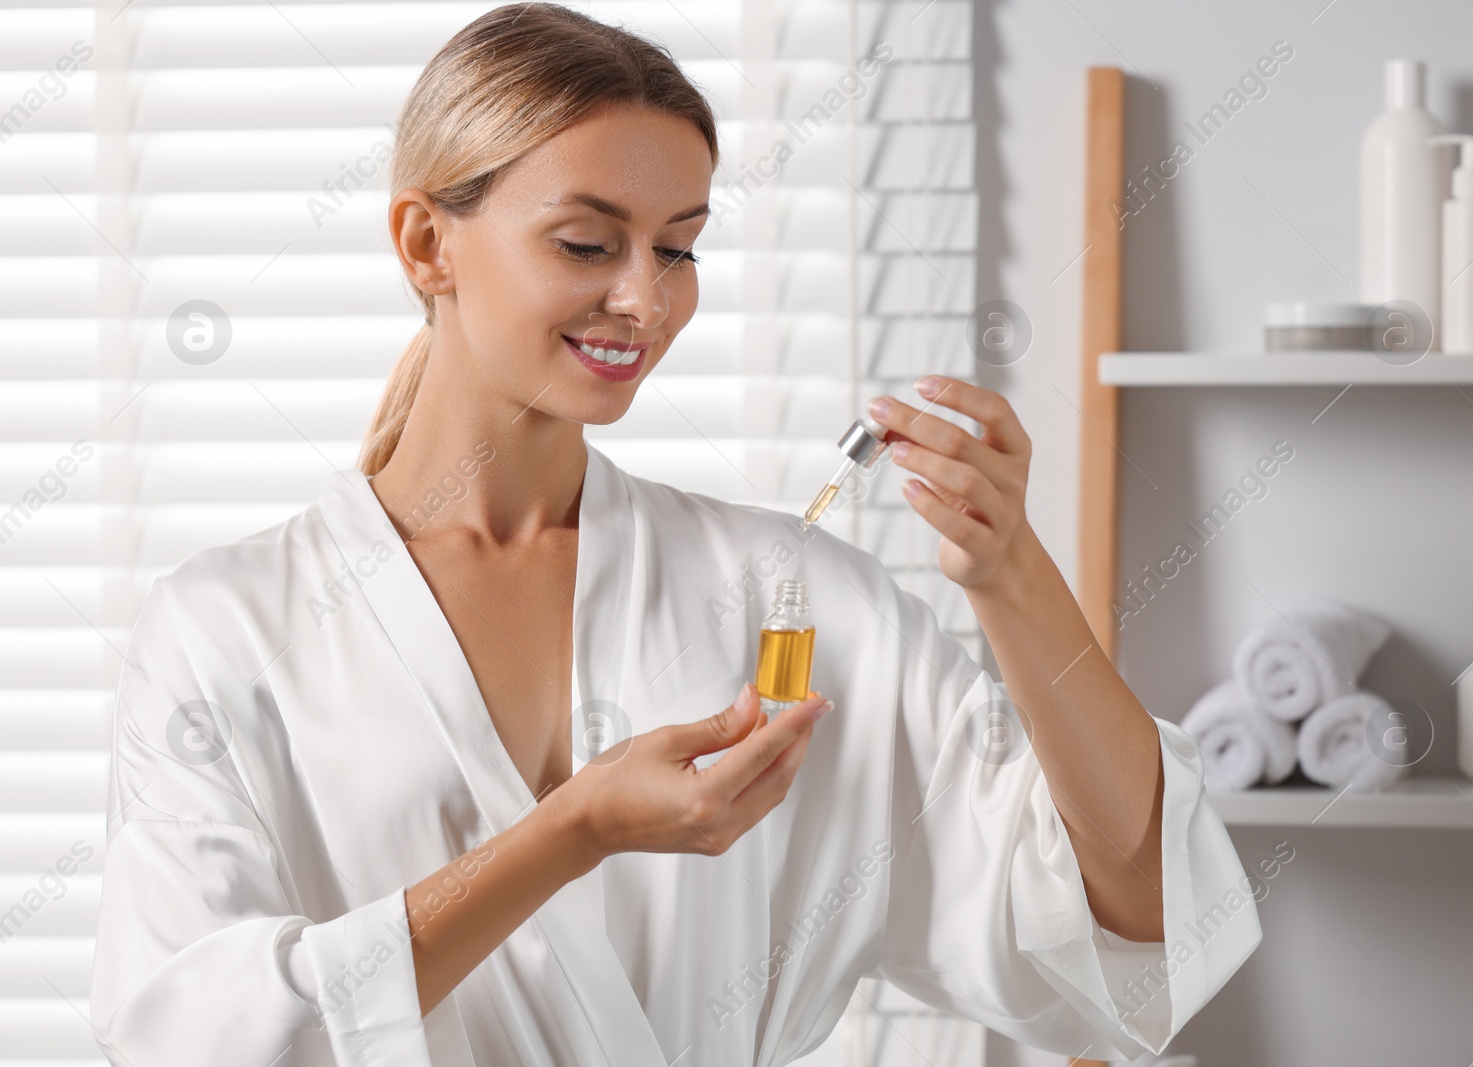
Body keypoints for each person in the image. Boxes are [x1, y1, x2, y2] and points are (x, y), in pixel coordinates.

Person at [89, 5, 1259, 1064]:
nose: (646, 302)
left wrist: (1011, 577)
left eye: (680, 245)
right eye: (589, 244)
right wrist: (571, 831)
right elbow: (187, 1029)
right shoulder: (229, 626)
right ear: (424, 243)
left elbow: (1137, 923)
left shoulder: (788, 597)